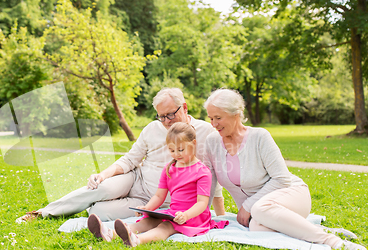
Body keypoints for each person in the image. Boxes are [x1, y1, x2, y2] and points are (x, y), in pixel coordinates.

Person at [16, 88, 226, 223]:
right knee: (101, 188)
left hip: (159, 201)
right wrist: (103, 174)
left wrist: (219, 214)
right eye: (162, 117)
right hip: (137, 180)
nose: (167, 121)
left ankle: (93, 207)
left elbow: (212, 176)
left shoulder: (205, 132)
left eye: (171, 114)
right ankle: (42, 213)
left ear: (185, 107)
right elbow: (130, 159)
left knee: (98, 212)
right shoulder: (153, 128)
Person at [202, 88, 366, 250]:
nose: (214, 124)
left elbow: (282, 179)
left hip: (291, 194)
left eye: (218, 118)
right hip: (259, 213)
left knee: (259, 209)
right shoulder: (212, 142)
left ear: (236, 114)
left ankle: (334, 242)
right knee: (257, 227)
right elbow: (208, 182)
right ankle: (311, 229)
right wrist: (200, 215)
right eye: (211, 118)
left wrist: (248, 206)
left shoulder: (259, 137)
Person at [87, 122, 229, 247]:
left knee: (165, 227)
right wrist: (146, 208)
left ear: (194, 143)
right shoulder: (169, 168)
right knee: (147, 221)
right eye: (172, 150)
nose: (176, 154)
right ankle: (110, 233)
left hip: (193, 217)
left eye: (181, 150)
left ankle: (137, 240)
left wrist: (185, 216)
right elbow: (159, 196)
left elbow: (202, 204)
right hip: (173, 213)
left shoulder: (202, 172)